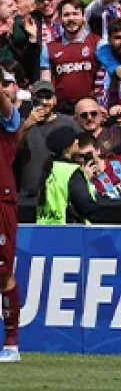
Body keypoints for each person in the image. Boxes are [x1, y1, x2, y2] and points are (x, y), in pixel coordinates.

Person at [0, 68, 20, 361]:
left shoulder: (10, 117)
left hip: (1, 202)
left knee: (2, 276)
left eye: (7, 83)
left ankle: (12, 343)